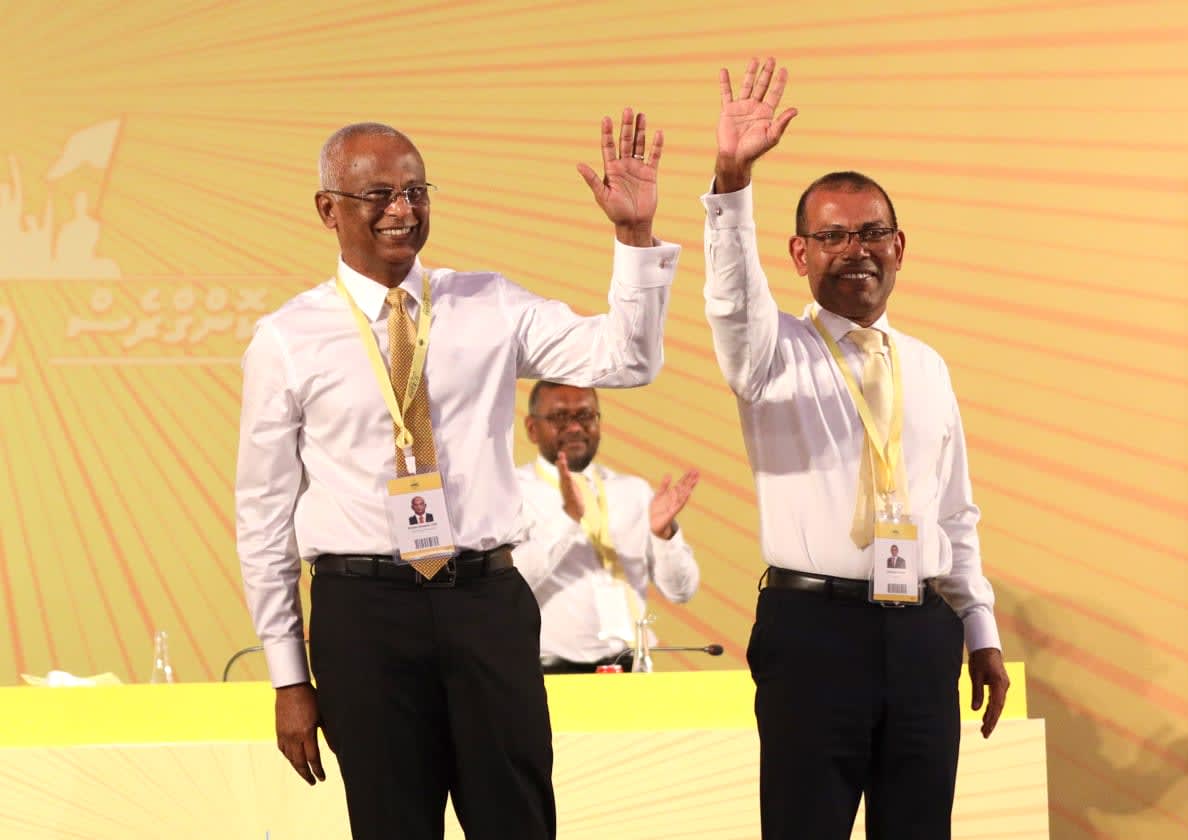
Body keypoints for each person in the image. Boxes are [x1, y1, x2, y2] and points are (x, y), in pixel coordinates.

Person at [236, 112, 679, 840]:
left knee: (518, 820)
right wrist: (288, 676)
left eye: (416, 192)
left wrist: (634, 238)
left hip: (484, 603)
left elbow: (626, 360)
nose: (403, 209)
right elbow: (263, 514)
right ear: (328, 209)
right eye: (379, 194)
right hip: (363, 614)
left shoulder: (489, 303)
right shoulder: (287, 339)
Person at [701, 58, 1010, 840]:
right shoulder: (771, 353)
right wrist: (732, 182)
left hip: (923, 632)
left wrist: (979, 631)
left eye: (871, 232)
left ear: (899, 245)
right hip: (814, 630)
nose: (856, 250)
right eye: (832, 236)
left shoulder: (928, 366)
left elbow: (955, 513)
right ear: (799, 254)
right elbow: (733, 302)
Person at [513, 381, 700, 673]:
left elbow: (682, 591)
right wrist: (568, 518)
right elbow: (511, 582)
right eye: (560, 416)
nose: (575, 427)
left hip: (632, 671)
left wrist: (664, 536)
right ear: (532, 428)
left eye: (585, 415)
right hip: (550, 676)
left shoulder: (633, 491)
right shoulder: (514, 493)